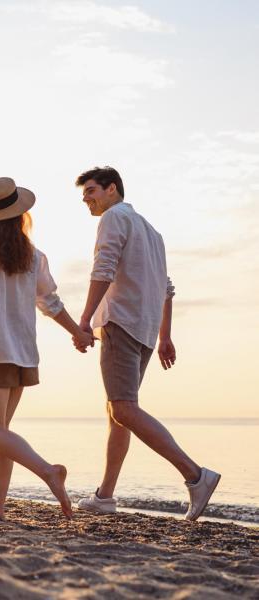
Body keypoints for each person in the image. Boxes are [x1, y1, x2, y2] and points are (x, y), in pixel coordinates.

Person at [73, 166, 220, 521]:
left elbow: (103, 269)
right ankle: (105, 495)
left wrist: (84, 320)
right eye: (83, 196)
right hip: (143, 331)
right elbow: (166, 288)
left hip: (121, 324)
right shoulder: (153, 233)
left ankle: (195, 475)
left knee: (122, 409)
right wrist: (164, 335)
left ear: (112, 189)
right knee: (117, 414)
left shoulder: (113, 218)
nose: (87, 199)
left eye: (91, 191)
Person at [0, 176, 93, 520]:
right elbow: (49, 301)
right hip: (23, 352)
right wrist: (76, 331)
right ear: (19, 215)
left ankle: (49, 471)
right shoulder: (31, 254)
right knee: (3, 432)